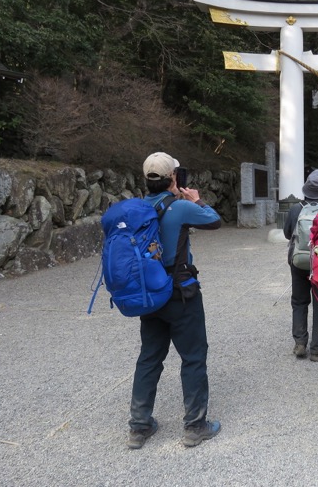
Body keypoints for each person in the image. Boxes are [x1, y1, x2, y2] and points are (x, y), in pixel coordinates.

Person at [128, 152, 223, 450]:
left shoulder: (137, 208)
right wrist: (195, 199)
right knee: (193, 357)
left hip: (149, 295)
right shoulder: (181, 207)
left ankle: (139, 427)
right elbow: (214, 221)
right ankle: (195, 426)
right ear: (173, 178)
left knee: (149, 357)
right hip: (181, 294)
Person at [282, 169, 318, 361]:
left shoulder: (295, 209)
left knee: (299, 301)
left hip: (298, 261)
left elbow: (288, 234)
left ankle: (300, 343)